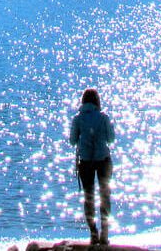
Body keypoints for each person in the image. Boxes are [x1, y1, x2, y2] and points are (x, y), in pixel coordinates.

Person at [68, 87, 116, 246]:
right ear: (97, 102)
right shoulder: (103, 118)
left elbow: (73, 141)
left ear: (83, 102)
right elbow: (111, 139)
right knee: (105, 196)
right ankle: (105, 233)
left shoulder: (78, 118)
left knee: (89, 197)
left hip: (86, 161)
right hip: (103, 159)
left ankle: (93, 232)